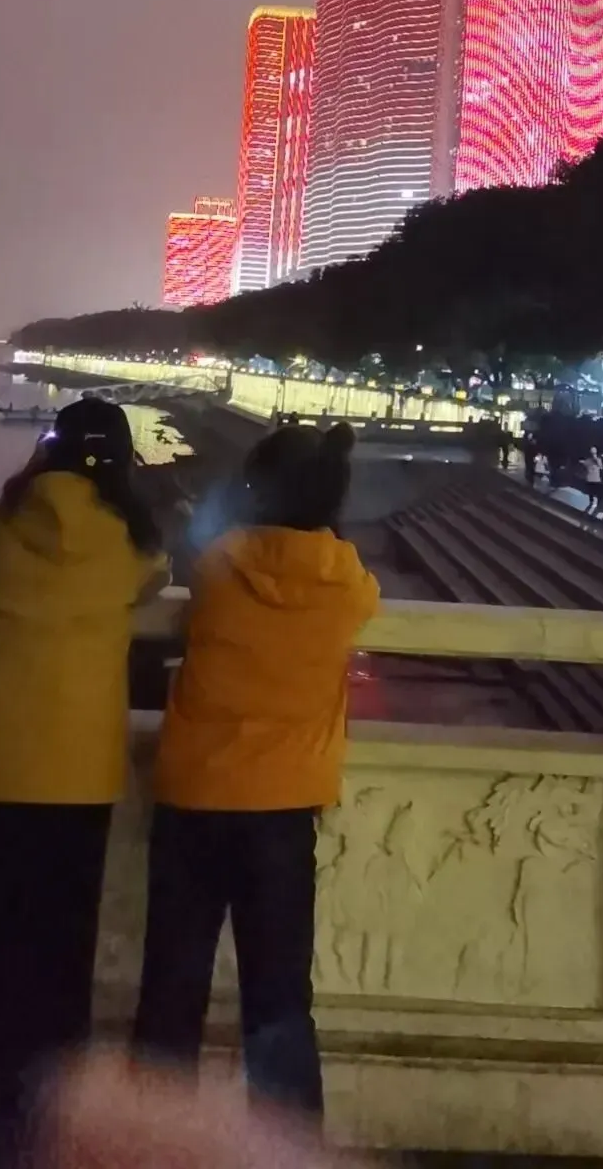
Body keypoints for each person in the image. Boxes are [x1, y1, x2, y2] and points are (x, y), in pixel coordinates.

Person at [133, 421, 380, 1117]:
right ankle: (284, 1144)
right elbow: (360, 597)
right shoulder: (348, 584)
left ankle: (145, 1144)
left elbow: (193, 567)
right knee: (277, 1001)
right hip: (282, 807)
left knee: (171, 989)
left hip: (194, 794)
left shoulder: (220, 564)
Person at [0, 398, 169, 1133]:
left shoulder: (4, 523)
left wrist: (35, 475)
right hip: (75, 776)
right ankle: (49, 1127)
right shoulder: (130, 541)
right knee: (60, 962)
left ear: (50, 449)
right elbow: (154, 579)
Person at [582, 446, 603, 517]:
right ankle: (591, 504)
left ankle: (595, 505)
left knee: (595, 494)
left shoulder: (598, 460)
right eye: (592, 453)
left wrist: (596, 459)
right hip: (590, 480)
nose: (593, 455)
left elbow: (601, 467)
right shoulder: (588, 460)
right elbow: (584, 465)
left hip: (596, 480)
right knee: (591, 494)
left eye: (594, 453)